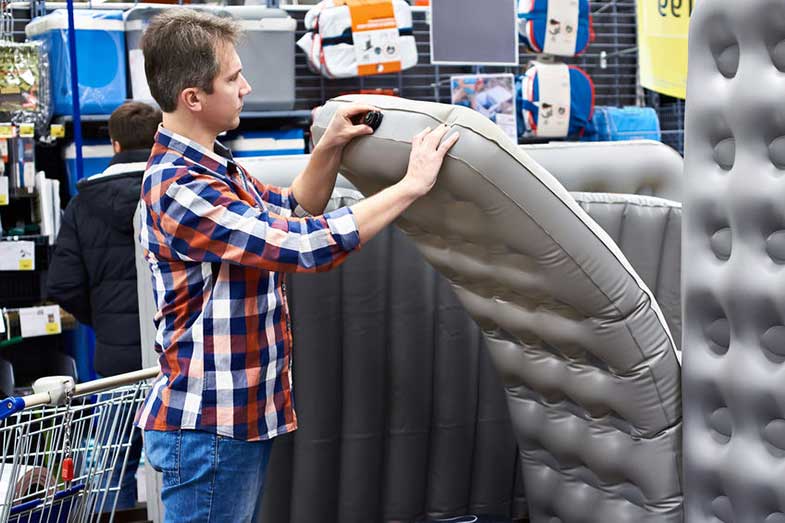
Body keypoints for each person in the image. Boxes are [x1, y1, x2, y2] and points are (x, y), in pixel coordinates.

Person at [135, 8, 459, 522]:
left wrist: (329, 145)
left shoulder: (215, 166)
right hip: (208, 427)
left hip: (233, 420)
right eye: (233, 77)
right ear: (192, 98)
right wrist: (411, 187)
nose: (246, 87)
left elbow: (293, 209)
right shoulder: (180, 187)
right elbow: (304, 247)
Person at [47, 101, 163, 510]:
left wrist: (104, 320)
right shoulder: (174, 192)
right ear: (159, 138)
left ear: (113, 143)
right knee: (184, 463)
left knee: (113, 470)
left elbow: (62, 283)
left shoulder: (84, 204)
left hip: (118, 363)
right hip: (181, 353)